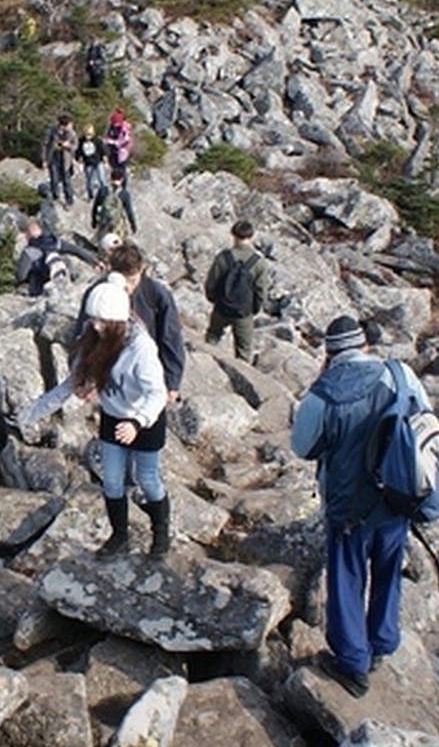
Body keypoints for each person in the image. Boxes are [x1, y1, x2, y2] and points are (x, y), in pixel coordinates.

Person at [289, 316, 431, 698]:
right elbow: (424, 419)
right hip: (397, 498)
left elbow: (302, 447)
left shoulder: (324, 392)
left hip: (349, 506)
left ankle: (353, 663)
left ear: (329, 353)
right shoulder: (399, 374)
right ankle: (382, 642)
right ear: (365, 346)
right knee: (388, 572)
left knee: (348, 578)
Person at [24, 274, 170, 556]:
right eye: (93, 319)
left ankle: (160, 536)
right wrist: (31, 414)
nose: (96, 326)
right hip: (114, 419)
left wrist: (137, 422)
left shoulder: (141, 348)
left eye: (103, 322)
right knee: (112, 480)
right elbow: (69, 385)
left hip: (144, 421)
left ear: (120, 321)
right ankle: (119, 536)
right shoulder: (92, 338)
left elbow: (157, 393)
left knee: (147, 479)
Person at [105, 243, 185, 401]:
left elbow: (171, 338)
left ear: (141, 269)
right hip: (110, 378)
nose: (128, 287)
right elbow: (85, 334)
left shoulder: (156, 294)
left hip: (147, 376)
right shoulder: (100, 294)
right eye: (123, 280)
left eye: (133, 280)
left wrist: (172, 383)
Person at [204, 219, 269, 363]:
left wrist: (214, 299)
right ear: (251, 236)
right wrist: (254, 309)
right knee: (244, 351)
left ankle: (205, 365)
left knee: (212, 338)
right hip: (244, 312)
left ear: (233, 235)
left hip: (221, 307)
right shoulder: (259, 262)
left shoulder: (223, 257)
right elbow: (261, 290)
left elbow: (211, 282)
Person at [14, 218, 97, 297]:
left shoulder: (29, 251)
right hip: (59, 285)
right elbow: (77, 250)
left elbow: (21, 275)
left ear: (28, 234)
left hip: (38, 289)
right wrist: (95, 262)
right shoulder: (56, 242)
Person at [91, 163, 137, 241]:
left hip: (103, 222)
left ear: (111, 177)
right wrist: (133, 225)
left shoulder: (103, 190)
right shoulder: (124, 194)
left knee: (103, 241)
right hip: (116, 224)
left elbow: (95, 206)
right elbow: (129, 212)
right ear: (122, 179)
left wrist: (94, 221)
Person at [42, 113, 78, 205]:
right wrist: (44, 159)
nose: (71, 126)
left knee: (67, 180)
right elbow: (45, 145)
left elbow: (76, 146)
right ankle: (56, 198)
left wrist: (68, 145)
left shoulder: (72, 133)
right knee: (54, 179)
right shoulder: (52, 130)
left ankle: (69, 200)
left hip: (66, 159)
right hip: (53, 157)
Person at [76, 122, 106, 200]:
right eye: (86, 134)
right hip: (88, 163)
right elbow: (79, 152)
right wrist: (79, 160)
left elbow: (102, 150)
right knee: (89, 181)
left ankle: (105, 195)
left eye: (90, 134)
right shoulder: (81, 141)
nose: (88, 136)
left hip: (98, 162)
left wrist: (104, 158)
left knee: (102, 179)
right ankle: (91, 196)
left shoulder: (97, 140)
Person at [103, 109, 132, 180]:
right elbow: (108, 135)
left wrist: (112, 142)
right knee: (114, 166)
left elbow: (125, 140)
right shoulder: (112, 126)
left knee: (122, 167)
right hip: (113, 149)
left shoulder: (125, 129)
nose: (114, 125)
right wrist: (107, 140)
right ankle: (115, 179)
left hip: (123, 150)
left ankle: (122, 181)